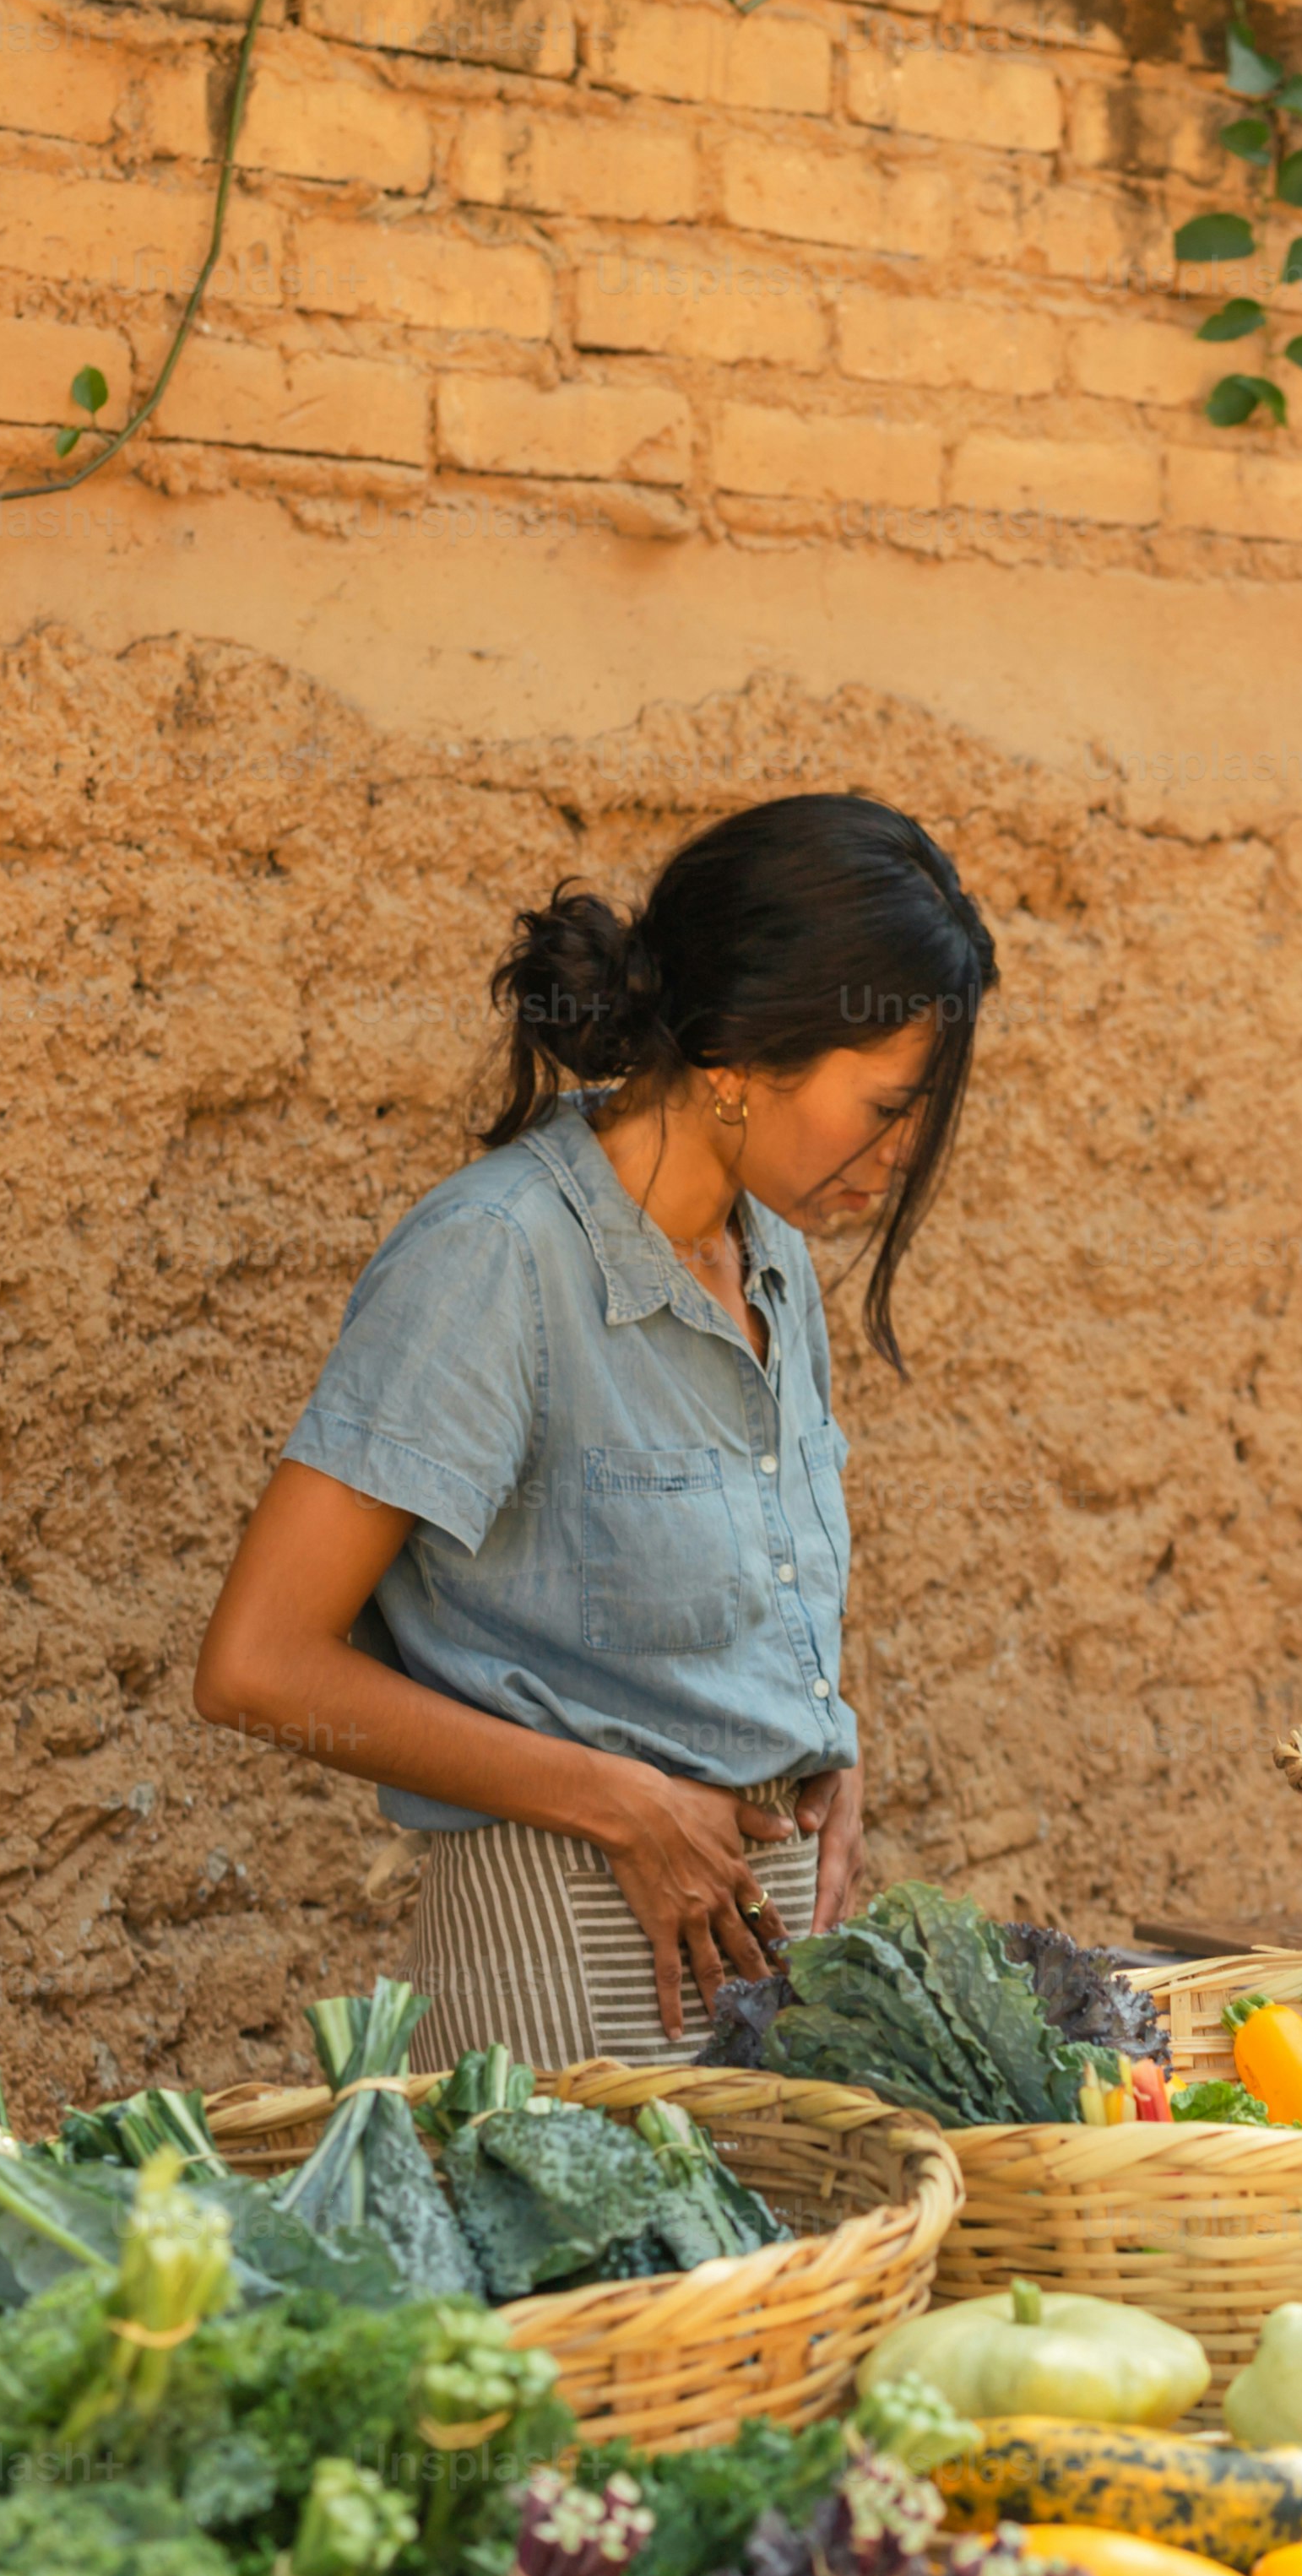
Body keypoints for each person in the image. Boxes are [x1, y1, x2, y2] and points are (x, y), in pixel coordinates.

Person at [193, 793, 993, 2065]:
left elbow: (719, 1612)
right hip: (562, 1989)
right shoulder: (497, 1260)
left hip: (769, 1999)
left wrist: (821, 1750)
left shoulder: (770, 1256)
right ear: (740, 1055)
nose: (902, 1156)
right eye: (887, 1107)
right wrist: (617, 1803)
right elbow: (256, 1665)